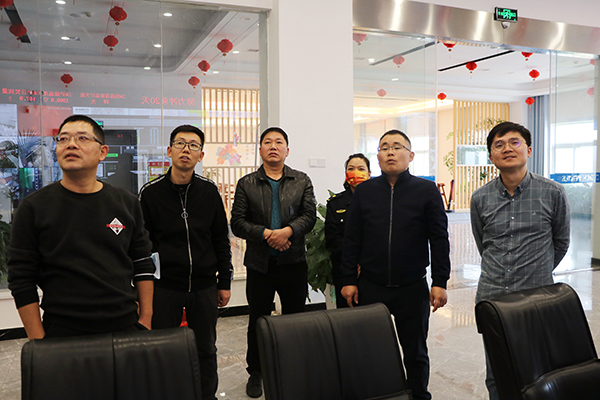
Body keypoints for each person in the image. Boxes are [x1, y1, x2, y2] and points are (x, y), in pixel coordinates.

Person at [7, 114, 154, 340]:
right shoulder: (33, 208)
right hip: (62, 331)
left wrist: (145, 320)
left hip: (125, 327)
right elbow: (21, 278)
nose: (71, 144)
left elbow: (142, 263)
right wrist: (38, 342)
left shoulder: (126, 203)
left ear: (103, 152)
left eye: (82, 138)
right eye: (63, 139)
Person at [340, 129, 450, 400]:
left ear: (410, 156)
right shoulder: (364, 191)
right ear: (377, 156)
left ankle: (419, 395)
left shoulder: (426, 191)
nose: (390, 152)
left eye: (397, 146)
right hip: (371, 285)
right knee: (371, 350)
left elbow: (439, 239)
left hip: (412, 287)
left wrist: (440, 281)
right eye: (384, 147)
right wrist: (348, 279)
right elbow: (351, 239)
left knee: (415, 351)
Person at [470, 121, 570, 400]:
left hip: (537, 297)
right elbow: (484, 245)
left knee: (538, 370)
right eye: (498, 145)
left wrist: (537, 270)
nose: (507, 149)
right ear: (491, 156)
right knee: (497, 371)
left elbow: (561, 242)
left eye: (514, 142)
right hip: (492, 297)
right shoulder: (480, 198)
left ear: (528, 149)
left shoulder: (553, 192)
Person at [139, 125, 233, 400]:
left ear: (201, 155)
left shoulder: (209, 192)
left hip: (204, 286)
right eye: (180, 143)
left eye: (193, 145)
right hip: (164, 287)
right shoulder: (150, 193)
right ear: (169, 150)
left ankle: (206, 396)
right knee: (163, 347)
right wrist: (141, 291)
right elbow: (141, 246)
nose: (186, 149)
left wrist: (224, 281)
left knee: (206, 348)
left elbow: (221, 239)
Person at [230, 127, 316, 398]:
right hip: (259, 265)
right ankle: (256, 372)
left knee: (294, 320)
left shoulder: (301, 180)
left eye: (279, 142)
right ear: (260, 150)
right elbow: (237, 222)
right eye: (267, 142)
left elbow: (309, 216)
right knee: (258, 320)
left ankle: (292, 368)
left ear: (287, 150)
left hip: (294, 263)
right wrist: (268, 234)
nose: (273, 146)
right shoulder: (246, 183)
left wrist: (287, 232)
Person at [325, 153, 371, 308]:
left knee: (372, 314)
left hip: (371, 270)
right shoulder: (335, 203)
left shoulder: (378, 201)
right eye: (351, 169)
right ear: (346, 174)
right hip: (344, 271)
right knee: (346, 315)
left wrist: (363, 261)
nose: (355, 172)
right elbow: (332, 238)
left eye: (361, 169)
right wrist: (352, 262)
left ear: (369, 174)